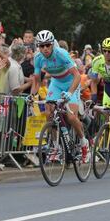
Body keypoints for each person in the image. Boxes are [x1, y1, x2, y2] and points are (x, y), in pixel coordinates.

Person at [30, 30, 89, 162]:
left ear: (52, 44)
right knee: (48, 112)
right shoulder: (38, 58)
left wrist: (69, 92)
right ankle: (57, 147)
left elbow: (77, 76)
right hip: (56, 83)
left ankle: (84, 143)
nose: (45, 48)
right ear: (38, 47)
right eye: (41, 46)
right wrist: (32, 95)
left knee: (71, 117)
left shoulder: (61, 53)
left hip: (71, 83)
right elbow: (37, 80)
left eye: (48, 45)